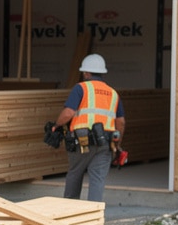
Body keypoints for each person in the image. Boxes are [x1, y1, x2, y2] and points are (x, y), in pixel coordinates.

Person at [51, 53, 125, 202]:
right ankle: (94, 218)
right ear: (102, 73)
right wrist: (118, 144)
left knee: (74, 176)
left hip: (82, 142)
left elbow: (68, 113)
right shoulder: (113, 93)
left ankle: (70, 214)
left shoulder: (81, 88)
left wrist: (56, 125)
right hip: (105, 143)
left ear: (86, 72)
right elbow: (121, 122)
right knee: (97, 181)